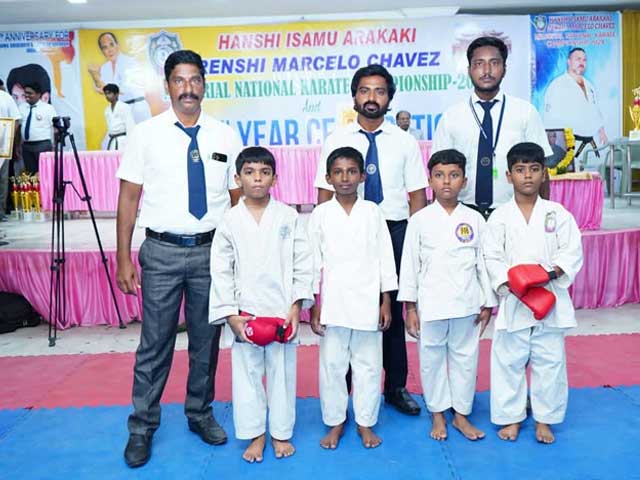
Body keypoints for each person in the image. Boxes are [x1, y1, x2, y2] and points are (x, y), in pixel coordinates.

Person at [116, 49, 243, 468]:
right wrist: (122, 258)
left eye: (195, 80)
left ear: (204, 84)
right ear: (167, 85)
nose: (188, 88)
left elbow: (238, 200)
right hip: (162, 253)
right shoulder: (145, 135)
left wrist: (241, 257)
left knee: (206, 342)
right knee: (155, 344)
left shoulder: (225, 136)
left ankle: (199, 413)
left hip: (211, 252)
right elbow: (128, 198)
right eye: (179, 80)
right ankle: (142, 426)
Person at [314, 64, 427, 416]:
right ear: (354, 96)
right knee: (347, 311)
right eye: (365, 90)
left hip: (394, 230)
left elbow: (417, 196)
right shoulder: (337, 139)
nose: (372, 97)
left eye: (379, 91)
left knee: (390, 313)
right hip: (347, 232)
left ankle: (395, 387)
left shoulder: (405, 142)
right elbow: (323, 195)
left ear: (389, 98)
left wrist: (416, 243)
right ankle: (345, 390)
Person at [209, 146, 313, 463]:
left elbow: (303, 262)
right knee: (247, 377)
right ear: (237, 178)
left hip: (281, 311)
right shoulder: (229, 220)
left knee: (282, 376)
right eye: (250, 172)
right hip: (245, 313)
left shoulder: (288, 216)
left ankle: (280, 433)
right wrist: (230, 315)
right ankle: (255, 434)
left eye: (264, 172)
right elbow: (221, 269)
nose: (257, 179)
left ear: (275, 179)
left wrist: (296, 306)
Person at [482, 142, 583, 444]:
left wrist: (545, 275)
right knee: (508, 362)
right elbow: (491, 257)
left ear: (543, 174)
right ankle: (511, 418)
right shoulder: (499, 217)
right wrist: (516, 283)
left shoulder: (558, 214)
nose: (527, 175)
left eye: (534, 169)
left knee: (549, 363)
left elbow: (571, 251)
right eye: (520, 169)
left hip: (549, 299)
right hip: (515, 299)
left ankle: (544, 420)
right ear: (509, 176)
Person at [398, 149, 497, 442]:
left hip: (468, 302)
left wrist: (488, 302)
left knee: (466, 359)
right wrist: (410, 308)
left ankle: (461, 415)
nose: (446, 182)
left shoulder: (475, 219)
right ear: (430, 180)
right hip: (431, 304)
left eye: (454, 175)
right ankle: (438, 413)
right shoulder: (419, 220)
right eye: (439, 175)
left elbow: (483, 263)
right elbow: (410, 266)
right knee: (431, 360)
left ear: (464, 181)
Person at [309, 146, 397, 450]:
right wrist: (314, 304)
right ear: (328, 178)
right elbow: (312, 262)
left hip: (367, 300)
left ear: (362, 176)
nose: (345, 178)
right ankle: (335, 421)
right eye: (338, 172)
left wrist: (386, 300)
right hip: (333, 301)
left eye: (351, 172)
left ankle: (365, 422)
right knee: (332, 366)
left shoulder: (373, 212)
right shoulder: (320, 214)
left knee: (369, 365)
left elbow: (385, 257)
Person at [432, 36, 552, 220]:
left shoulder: (525, 112)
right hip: (463, 214)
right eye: (479, 63)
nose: (486, 71)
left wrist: (541, 216)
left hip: (514, 213)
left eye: (494, 63)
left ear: (504, 69)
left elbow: (541, 168)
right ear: (469, 70)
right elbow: (439, 172)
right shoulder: (451, 117)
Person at [543, 47, 608, 146]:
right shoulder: (557, 85)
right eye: (578, 59)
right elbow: (550, 119)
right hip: (569, 142)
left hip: (591, 140)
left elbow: (595, 110)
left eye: (584, 60)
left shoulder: (589, 86)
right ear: (568, 62)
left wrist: (602, 132)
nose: (581, 63)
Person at [88, 32, 152, 123]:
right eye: (105, 47)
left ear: (117, 45)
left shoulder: (130, 62)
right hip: (121, 109)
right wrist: (95, 77)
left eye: (111, 45)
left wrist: (96, 77)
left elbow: (119, 90)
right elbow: (100, 89)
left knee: (141, 132)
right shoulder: (105, 68)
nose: (110, 50)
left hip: (137, 108)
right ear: (102, 51)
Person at [18, 82, 57, 174]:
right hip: (26, 146)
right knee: (30, 175)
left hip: (43, 145)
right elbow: (18, 127)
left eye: (30, 93)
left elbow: (56, 128)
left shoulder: (48, 108)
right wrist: (17, 146)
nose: (27, 95)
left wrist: (55, 146)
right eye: (25, 93)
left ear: (39, 94)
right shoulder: (21, 107)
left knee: (45, 173)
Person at [0, 88, 21, 222]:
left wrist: (9, 138)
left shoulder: (5, 97)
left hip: (2, 144)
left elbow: (16, 120)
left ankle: (0, 213)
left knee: (2, 179)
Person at [102, 83, 135, 151]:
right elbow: (110, 129)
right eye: (106, 94)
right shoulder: (107, 110)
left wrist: (131, 144)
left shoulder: (124, 107)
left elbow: (130, 126)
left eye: (109, 93)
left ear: (116, 94)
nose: (107, 96)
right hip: (112, 140)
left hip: (123, 140)